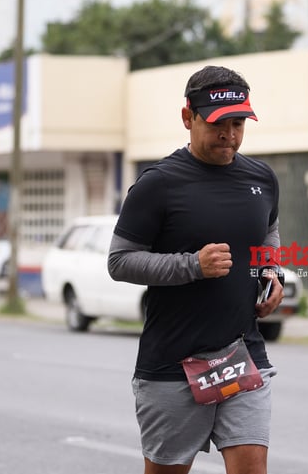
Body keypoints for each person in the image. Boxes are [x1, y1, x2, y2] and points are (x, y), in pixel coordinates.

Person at [107, 65, 285, 474]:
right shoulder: (158, 184)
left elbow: (269, 232)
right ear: (188, 118)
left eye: (239, 123)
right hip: (174, 363)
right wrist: (193, 266)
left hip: (241, 354)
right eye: (219, 124)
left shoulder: (262, 178)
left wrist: (271, 271)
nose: (230, 135)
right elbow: (119, 261)